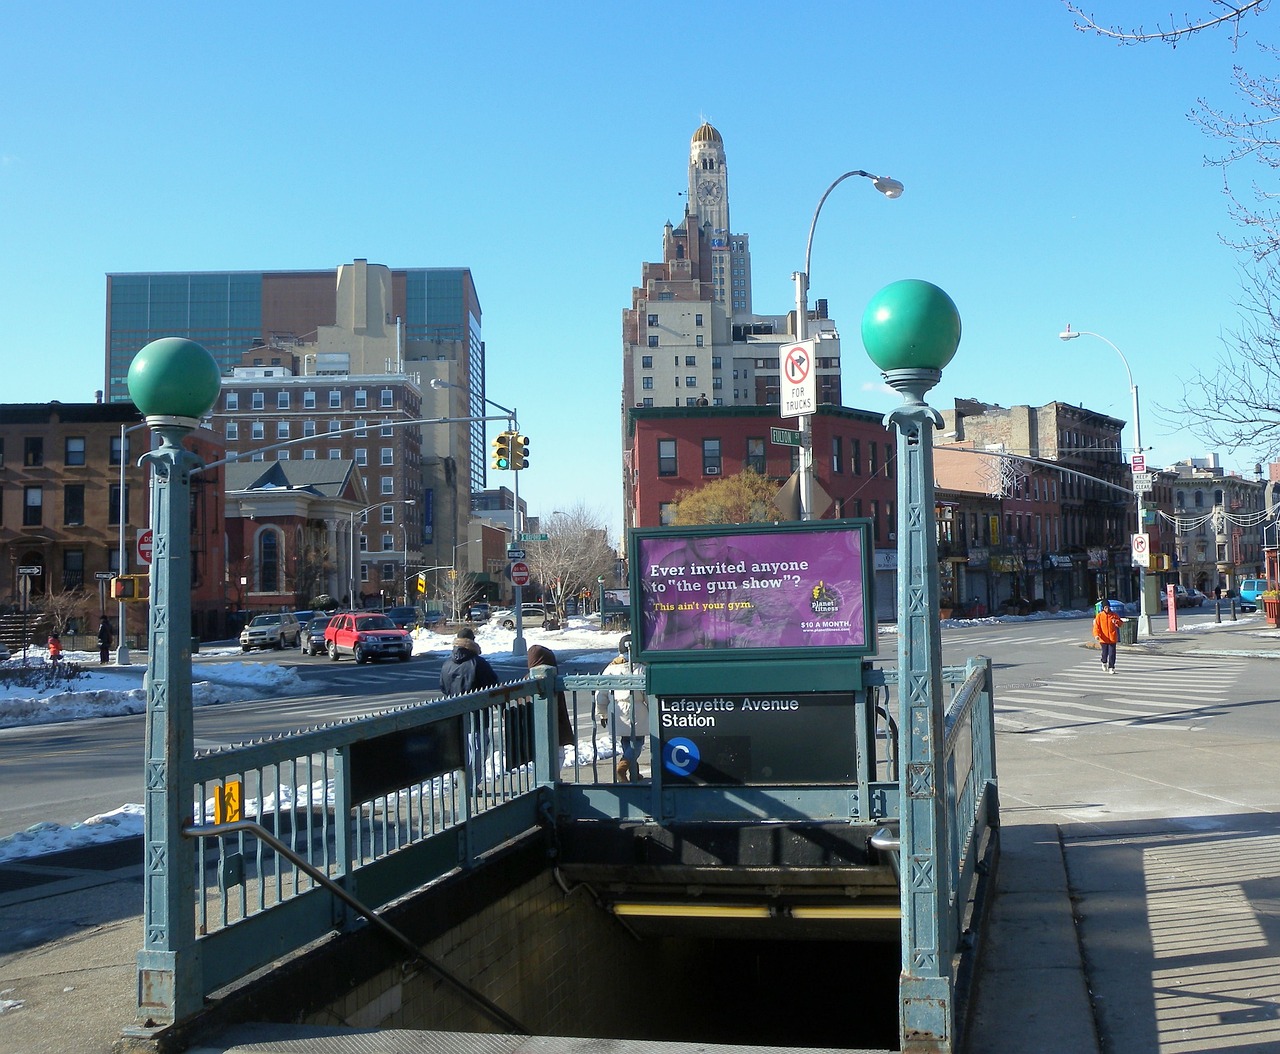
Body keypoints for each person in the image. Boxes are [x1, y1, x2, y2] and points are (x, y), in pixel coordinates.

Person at [439, 626, 500, 789]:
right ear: (472, 642)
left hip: (456, 716)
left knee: (461, 750)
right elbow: (494, 687)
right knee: (478, 751)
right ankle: (471, 784)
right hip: (477, 716)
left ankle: (460, 778)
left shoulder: (446, 664)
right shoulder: (478, 663)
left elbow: (444, 688)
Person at [594, 636, 649, 782]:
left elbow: (601, 692)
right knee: (637, 743)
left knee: (625, 741)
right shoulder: (641, 668)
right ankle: (622, 767)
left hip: (616, 709)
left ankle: (633, 773)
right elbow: (647, 694)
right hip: (637, 710)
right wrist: (653, 709)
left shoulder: (610, 668)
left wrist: (602, 713)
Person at [526, 644, 575, 768]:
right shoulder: (552, 681)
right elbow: (561, 711)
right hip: (553, 731)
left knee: (545, 760)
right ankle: (552, 783)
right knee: (557, 758)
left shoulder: (526, 682)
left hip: (533, 733)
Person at [1093, 600, 1124, 674]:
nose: (1107, 609)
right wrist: (1096, 635)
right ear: (1103, 608)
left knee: (1112, 653)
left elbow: (1120, 623)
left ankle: (1111, 667)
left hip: (1112, 638)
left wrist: (1116, 622)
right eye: (1105, 607)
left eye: (1108, 607)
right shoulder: (1100, 616)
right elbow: (1096, 627)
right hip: (1103, 639)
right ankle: (1104, 662)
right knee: (1105, 653)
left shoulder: (1114, 615)